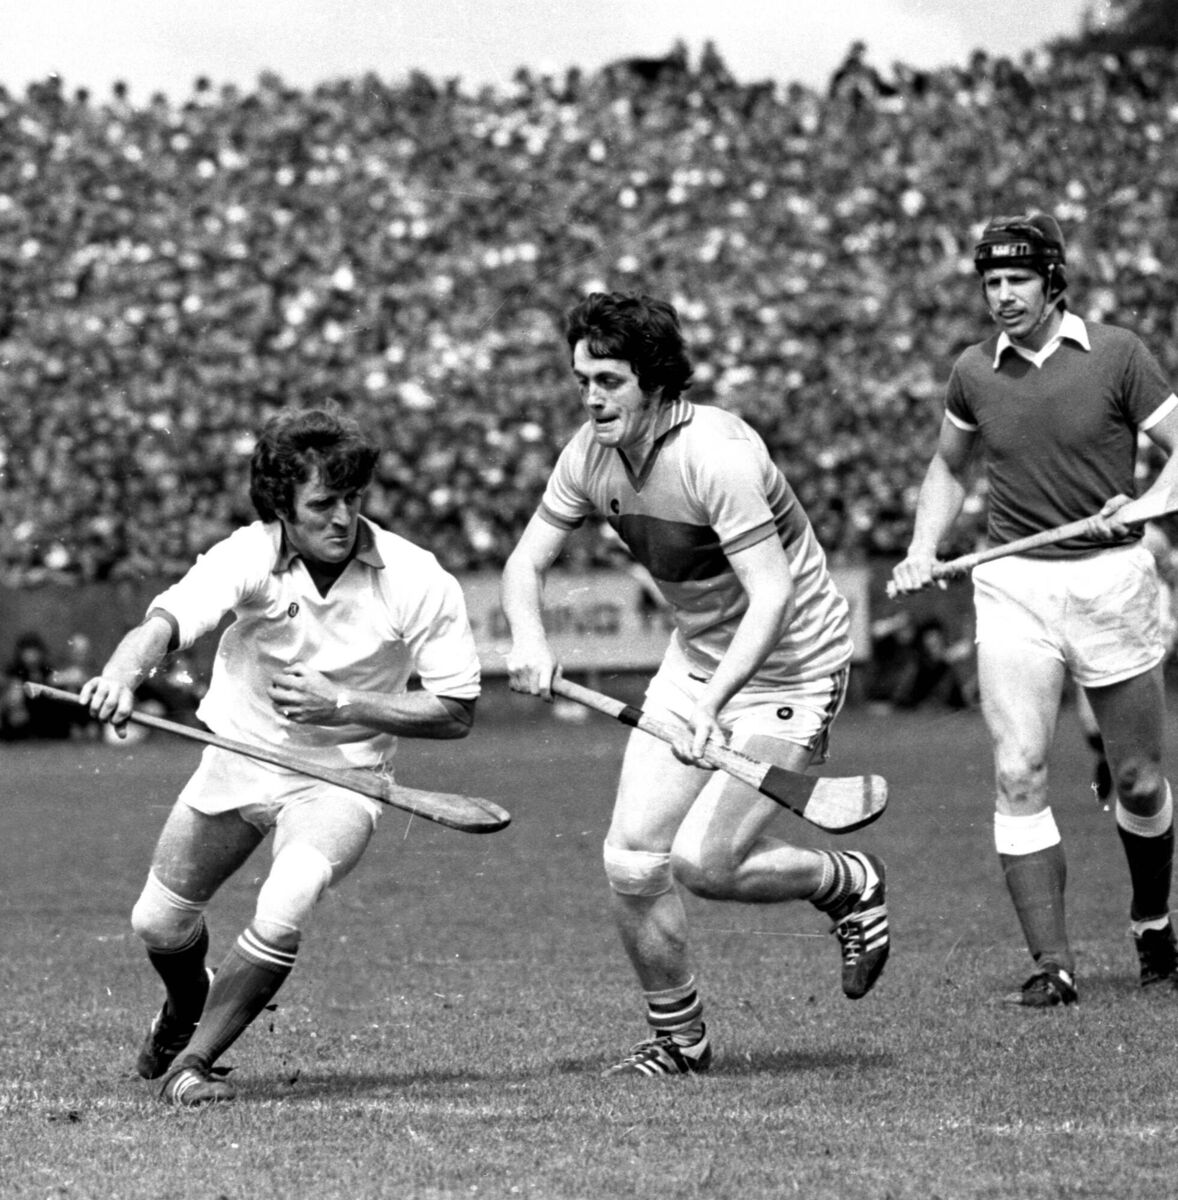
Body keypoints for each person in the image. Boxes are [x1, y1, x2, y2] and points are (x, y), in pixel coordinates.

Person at [501, 292, 889, 1078]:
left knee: (706, 863)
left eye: (609, 381)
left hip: (793, 664)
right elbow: (524, 562)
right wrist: (530, 638)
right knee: (632, 861)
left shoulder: (717, 454)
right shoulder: (588, 455)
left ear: (654, 381)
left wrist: (712, 707)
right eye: (582, 381)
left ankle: (846, 881)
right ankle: (681, 1041)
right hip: (697, 659)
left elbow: (773, 598)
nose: (591, 398)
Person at [80, 407, 481, 1106]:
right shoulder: (248, 554)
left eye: (352, 497)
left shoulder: (419, 578)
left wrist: (345, 704)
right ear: (281, 508)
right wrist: (120, 675)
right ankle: (188, 1003)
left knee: (288, 894)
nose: (343, 518)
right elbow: (168, 621)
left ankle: (193, 1066)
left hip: (343, 778)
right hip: (237, 756)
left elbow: (456, 710)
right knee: (158, 923)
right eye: (322, 504)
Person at [890, 212, 1178, 1007]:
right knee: (1018, 767)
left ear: (1053, 281)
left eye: (1017, 279)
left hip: (1112, 583)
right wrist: (922, 546)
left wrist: (1141, 505)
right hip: (1014, 583)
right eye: (991, 282)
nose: (1003, 296)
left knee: (1138, 781)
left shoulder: (1118, 354)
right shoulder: (973, 370)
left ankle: (1153, 921)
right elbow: (948, 468)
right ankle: (1053, 965)